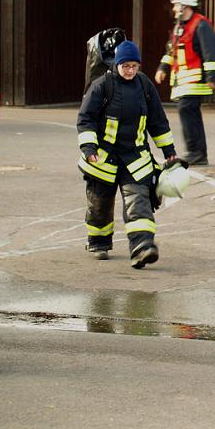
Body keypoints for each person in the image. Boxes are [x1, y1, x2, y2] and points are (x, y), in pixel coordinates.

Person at [78, 40, 180, 268]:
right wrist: (88, 148)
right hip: (103, 159)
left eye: (135, 66)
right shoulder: (102, 85)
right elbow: (86, 119)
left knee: (139, 202)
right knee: (99, 205)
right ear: (117, 64)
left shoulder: (144, 85)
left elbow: (158, 122)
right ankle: (99, 242)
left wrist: (169, 152)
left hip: (135, 159)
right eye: (126, 66)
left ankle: (142, 247)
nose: (130, 71)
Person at [154, 0, 215, 166]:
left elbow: (210, 52)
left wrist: (211, 77)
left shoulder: (201, 25)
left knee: (187, 111)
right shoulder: (179, 27)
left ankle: (196, 152)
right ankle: (198, 153)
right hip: (183, 80)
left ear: (185, 7)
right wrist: (162, 68)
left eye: (176, 6)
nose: (174, 9)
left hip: (195, 80)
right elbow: (171, 50)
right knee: (189, 113)